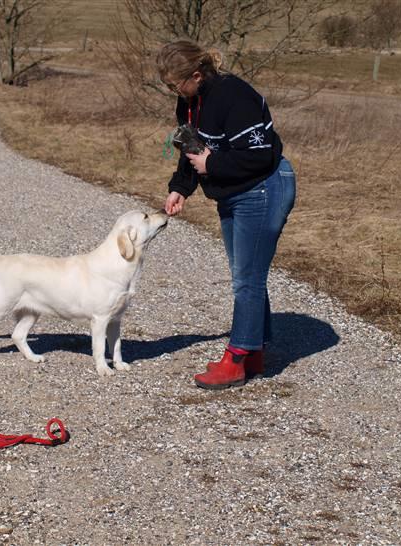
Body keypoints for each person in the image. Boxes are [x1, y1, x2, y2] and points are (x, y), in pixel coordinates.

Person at [157, 39, 296, 390]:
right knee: (244, 274)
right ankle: (255, 351)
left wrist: (212, 163)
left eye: (175, 84)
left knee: (246, 279)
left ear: (197, 75)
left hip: (263, 187)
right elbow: (191, 148)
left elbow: (260, 155)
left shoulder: (235, 96)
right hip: (234, 192)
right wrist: (181, 187)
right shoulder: (188, 102)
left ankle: (235, 359)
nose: (172, 91)